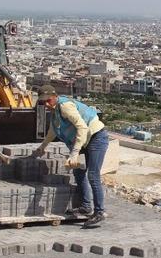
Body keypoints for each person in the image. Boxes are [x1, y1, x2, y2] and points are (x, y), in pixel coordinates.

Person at [32, 85, 109, 227]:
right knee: (79, 173)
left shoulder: (65, 106)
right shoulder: (55, 112)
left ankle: (99, 212)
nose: (47, 104)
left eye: (48, 100)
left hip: (96, 137)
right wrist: (42, 147)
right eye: (43, 102)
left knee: (93, 174)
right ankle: (86, 206)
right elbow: (53, 130)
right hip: (83, 141)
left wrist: (74, 153)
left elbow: (82, 127)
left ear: (55, 96)